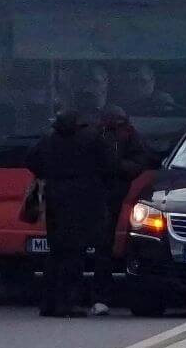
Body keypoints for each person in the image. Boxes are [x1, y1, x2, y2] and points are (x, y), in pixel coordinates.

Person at [25, 110, 115, 318]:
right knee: (75, 254)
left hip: (55, 198)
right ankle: (67, 303)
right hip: (83, 200)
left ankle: (48, 303)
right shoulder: (91, 139)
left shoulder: (49, 139)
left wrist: (49, 174)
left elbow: (30, 159)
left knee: (56, 252)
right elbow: (110, 165)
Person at [91, 106, 155, 316]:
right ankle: (73, 295)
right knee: (77, 247)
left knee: (103, 246)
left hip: (111, 196)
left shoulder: (128, 135)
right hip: (88, 196)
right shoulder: (91, 134)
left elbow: (139, 160)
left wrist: (119, 169)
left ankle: (100, 296)